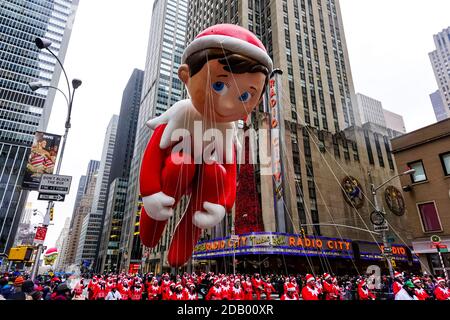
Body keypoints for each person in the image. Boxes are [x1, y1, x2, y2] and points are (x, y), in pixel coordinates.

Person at [139, 24, 272, 269]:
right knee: (181, 162)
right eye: (218, 86)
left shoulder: (227, 132)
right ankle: (153, 223)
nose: (227, 103)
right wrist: (150, 193)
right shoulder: (178, 116)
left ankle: (189, 233)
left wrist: (222, 204)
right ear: (186, 75)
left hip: (206, 183)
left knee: (214, 171)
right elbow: (153, 156)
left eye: (245, 96)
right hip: (173, 175)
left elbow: (229, 174)